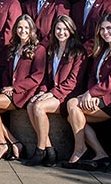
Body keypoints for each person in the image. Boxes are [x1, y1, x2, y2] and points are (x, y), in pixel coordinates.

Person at [63, 14, 111, 170]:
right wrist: (91, 93)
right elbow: (92, 76)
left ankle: (80, 150)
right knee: (73, 116)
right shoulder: (102, 49)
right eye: (102, 29)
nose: (105, 32)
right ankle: (101, 154)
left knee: (72, 106)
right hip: (99, 96)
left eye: (109, 28)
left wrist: (92, 94)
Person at [0, 14, 46, 161]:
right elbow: (6, 73)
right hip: (11, 91)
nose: (22, 30)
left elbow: (37, 77)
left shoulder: (38, 49)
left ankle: (2, 143)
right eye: (20, 27)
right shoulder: (13, 47)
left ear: (32, 30)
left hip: (24, 94)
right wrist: (6, 87)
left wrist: (14, 88)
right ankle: (14, 141)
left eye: (26, 28)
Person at [23, 15, 87, 166]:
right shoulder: (52, 49)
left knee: (39, 107)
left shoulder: (79, 52)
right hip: (53, 93)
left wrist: (51, 94)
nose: (61, 32)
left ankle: (40, 150)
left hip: (68, 96)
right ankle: (49, 148)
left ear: (71, 31)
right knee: (31, 105)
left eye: (65, 29)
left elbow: (73, 82)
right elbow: (46, 77)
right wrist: (41, 92)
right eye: (58, 28)